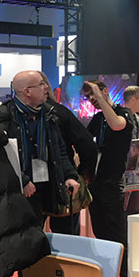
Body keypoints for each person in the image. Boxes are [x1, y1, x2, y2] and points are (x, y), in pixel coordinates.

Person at [0, 71, 80, 220]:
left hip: (45, 190)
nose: (46, 87)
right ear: (27, 91)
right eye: (41, 84)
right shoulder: (4, 119)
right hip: (16, 195)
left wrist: (69, 176)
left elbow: (60, 151)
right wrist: (23, 180)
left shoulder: (49, 115)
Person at [83, 80, 136, 277]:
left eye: (94, 94)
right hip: (95, 182)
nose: (92, 100)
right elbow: (84, 140)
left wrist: (100, 96)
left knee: (116, 232)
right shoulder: (97, 119)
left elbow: (116, 125)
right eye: (88, 97)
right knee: (99, 230)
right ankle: (106, 275)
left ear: (105, 91)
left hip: (113, 182)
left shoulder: (123, 113)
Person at [38, 72, 98, 236]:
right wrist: (83, 174)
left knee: (33, 238)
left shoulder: (18, 114)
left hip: (42, 182)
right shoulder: (61, 112)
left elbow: (88, 146)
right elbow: (88, 146)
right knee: (67, 238)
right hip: (65, 179)